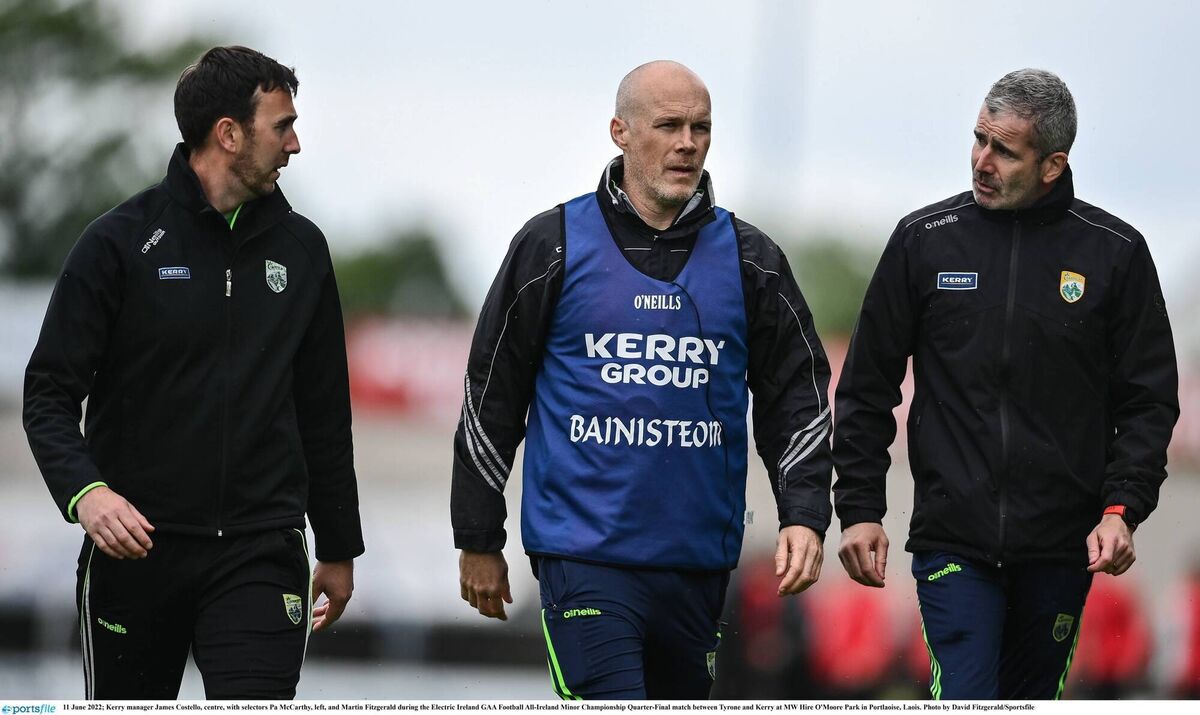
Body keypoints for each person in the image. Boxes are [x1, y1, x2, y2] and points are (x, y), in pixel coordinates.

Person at [451, 60, 833, 700]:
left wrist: (804, 515)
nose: (688, 142)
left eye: (701, 127)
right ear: (620, 132)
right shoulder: (552, 246)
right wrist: (478, 538)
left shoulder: (751, 259)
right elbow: (491, 394)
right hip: (584, 558)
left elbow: (798, 395)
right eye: (669, 125)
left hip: (697, 565)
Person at [23, 46, 364, 700]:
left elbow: (325, 411)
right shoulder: (116, 243)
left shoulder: (304, 251)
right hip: (134, 553)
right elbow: (48, 394)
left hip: (261, 553)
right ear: (228, 134)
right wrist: (86, 493)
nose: (296, 143)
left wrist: (339, 545)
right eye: (282, 126)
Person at [831, 68, 1179, 700]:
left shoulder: (1116, 253)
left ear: (1052, 165)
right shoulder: (923, 240)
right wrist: (859, 509)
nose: (980, 160)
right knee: (967, 696)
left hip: (1061, 549)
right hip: (951, 542)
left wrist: (1122, 509)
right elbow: (865, 387)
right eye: (978, 139)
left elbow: (1149, 402)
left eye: (1004, 150)